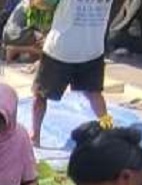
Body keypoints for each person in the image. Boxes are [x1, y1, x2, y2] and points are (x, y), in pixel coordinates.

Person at [29, 0, 111, 147]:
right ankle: (109, 130)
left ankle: (35, 136)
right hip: (92, 49)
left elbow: (42, 3)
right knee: (94, 94)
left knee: (40, 95)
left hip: (61, 50)